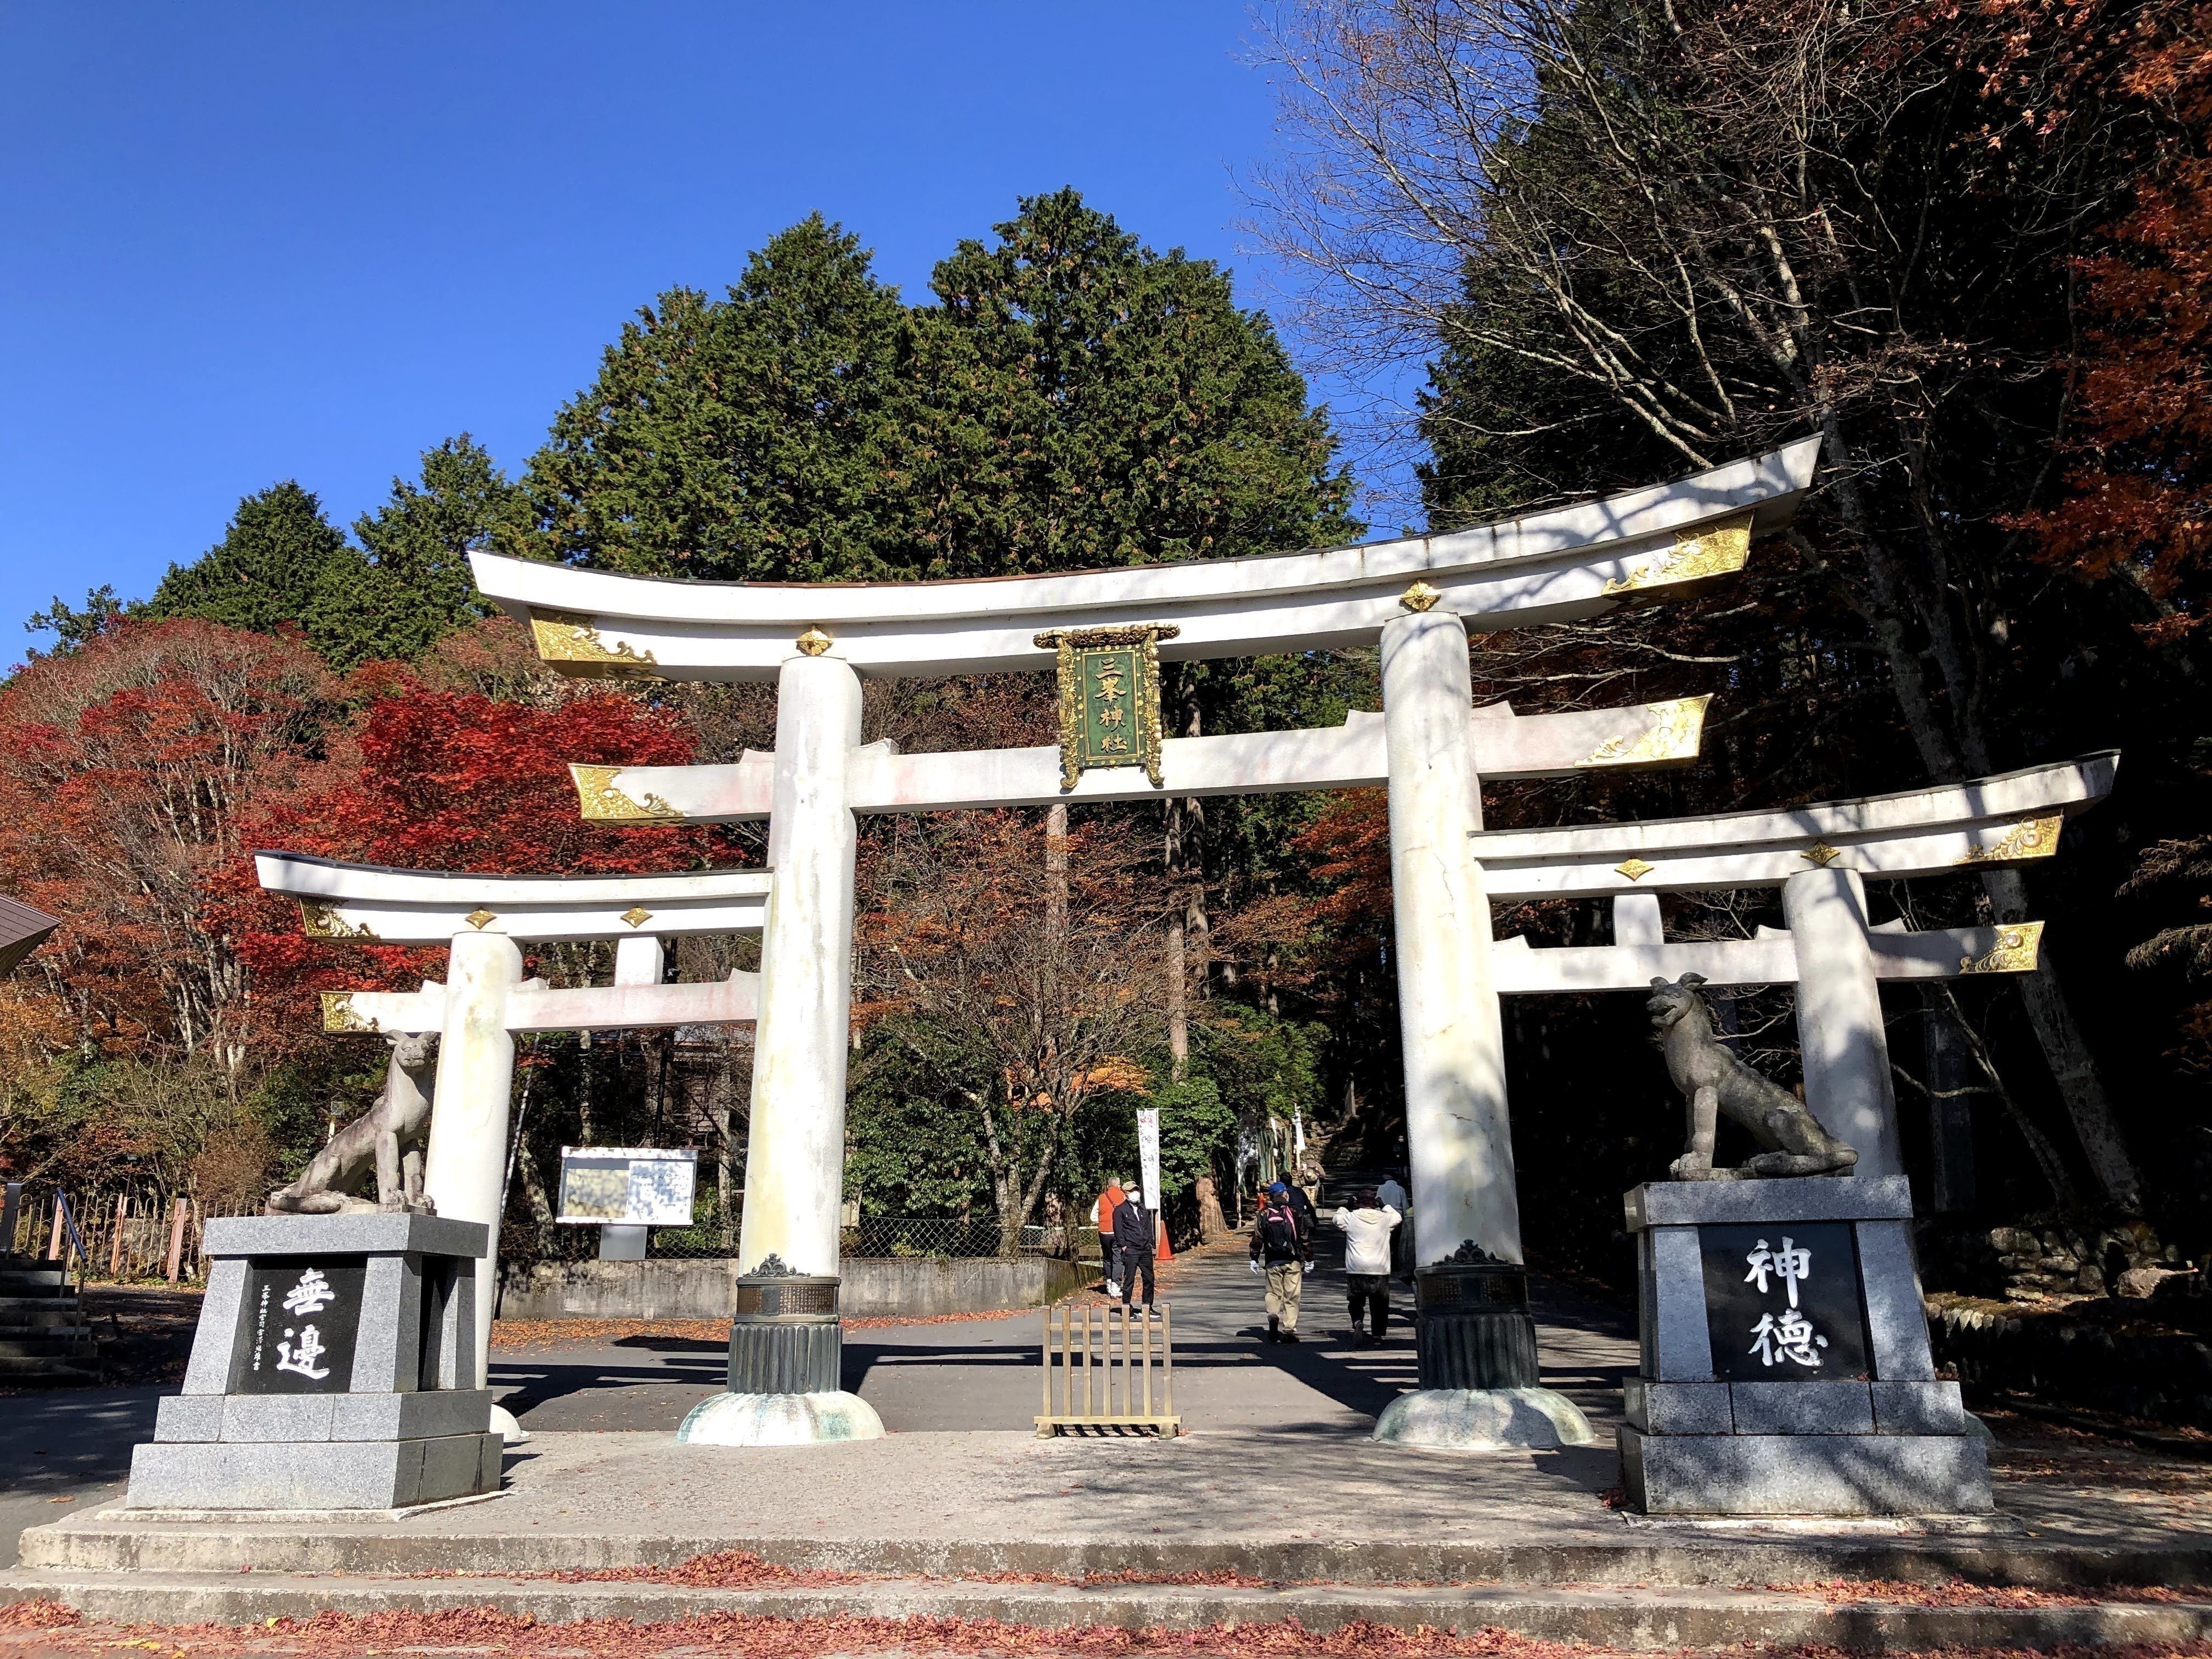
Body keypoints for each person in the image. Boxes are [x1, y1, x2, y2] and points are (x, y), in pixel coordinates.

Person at [1332, 1186, 1402, 1345]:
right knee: (1379, 1304)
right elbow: (1397, 1217)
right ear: (1374, 1202)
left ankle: (1358, 1322)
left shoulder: (1351, 1218)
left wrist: (1346, 1206)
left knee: (1356, 1301)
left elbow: (1337, 1219)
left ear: (1358, 1203)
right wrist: (1384, 1206)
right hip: (1380, 1269)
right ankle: (1377, 1335)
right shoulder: (1384, 1219)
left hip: (1356, 1268)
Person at [1249, 1179, 1312, 1343]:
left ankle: (1273, 1316)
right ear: (1285, 1194)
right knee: (1292, 1296)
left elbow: (1258, 1238)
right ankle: (1290, 1330)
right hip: (1293, 1260)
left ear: (1271, 1197)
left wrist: (1254, 1258)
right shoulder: (1295, 1212)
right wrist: (1309, 1258)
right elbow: (1304, 1238)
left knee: (1273, 1293)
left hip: (1272, 1260)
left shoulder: (1263, 1214)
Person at [1111, 1182, 1158, 1315]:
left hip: (1145, 1249)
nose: (1135, 1193)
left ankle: (1147, 1306)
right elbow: (1118, 1230)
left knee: (1149, 1278)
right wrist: (1124, 1246)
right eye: (1132, 1191)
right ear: (1126, 1193)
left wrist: (1150, 1242)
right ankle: (1127, 1307)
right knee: (1130, 1278)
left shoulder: (1142, 1208)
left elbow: (1148, 1226)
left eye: (1136, 1190)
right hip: (1130, 1249)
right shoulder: (1120, 1210)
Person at [1094, 1175, 1126, 1296]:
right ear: (1119, 1186)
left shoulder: (1101, 1198)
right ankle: (1116, 1286)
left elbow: (1093, 1216)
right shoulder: (1123, 1196)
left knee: (1107, 1257)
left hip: (1103, 1232)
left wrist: (1102, 1221)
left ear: (1108, 1186)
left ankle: (1108, 1283)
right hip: (1117, 1232)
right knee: (1118, 1258)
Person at [1375, 1173, 1410, 1280]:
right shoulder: (1400, 1189)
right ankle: (1396, 1264)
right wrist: (1406, 1217)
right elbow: (1405, 1205)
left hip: (1384, 1216)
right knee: (1397, 1243)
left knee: (1386, 1241)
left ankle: (1386, 1263)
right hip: (1397, 1216)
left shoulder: (1381, 1188)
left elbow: (1378, 1202)